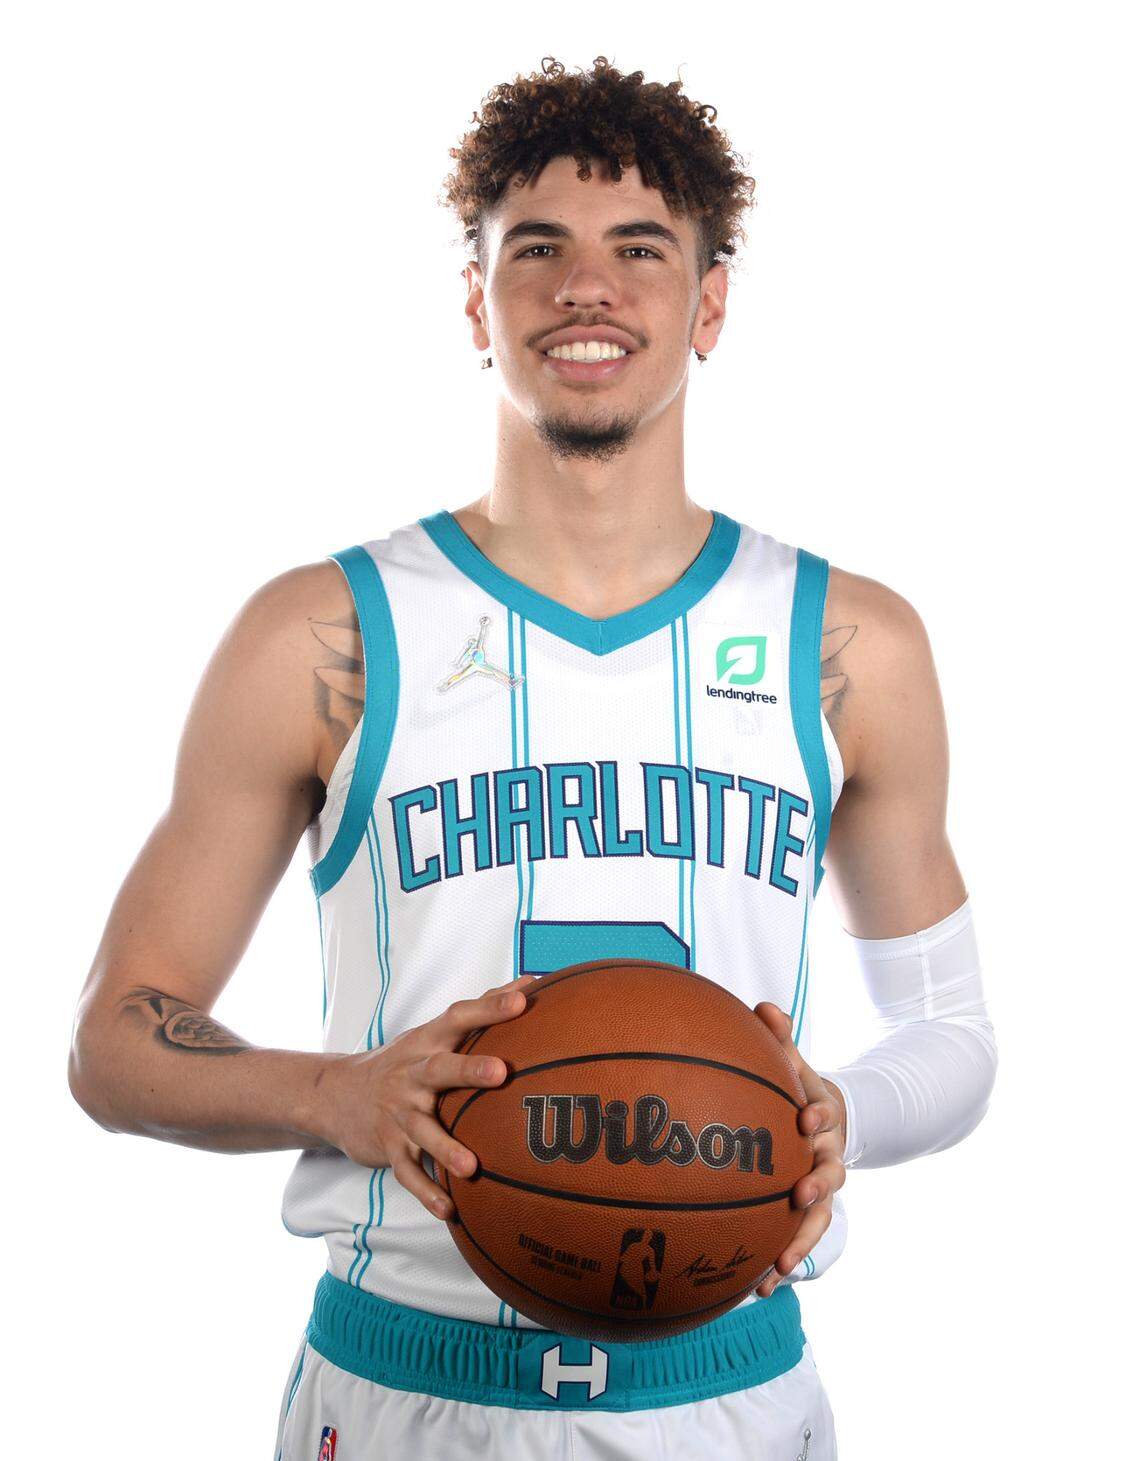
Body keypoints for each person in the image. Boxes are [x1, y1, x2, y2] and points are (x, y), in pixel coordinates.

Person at [68, 55, 997, 1460]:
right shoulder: (323, 634)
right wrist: (342, 1092)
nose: (587, 289)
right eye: (537, 251)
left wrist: (830, 1114)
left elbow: (957, 1038)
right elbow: (114, 1041)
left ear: (711, 302)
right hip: (405, 1388)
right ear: (474, 297)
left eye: (641, 251)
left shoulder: (850, 643)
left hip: (726, 1393)